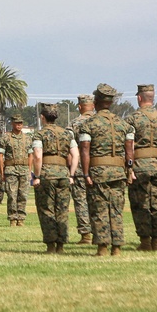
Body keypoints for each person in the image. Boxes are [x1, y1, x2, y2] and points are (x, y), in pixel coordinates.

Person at [77, 84, 134, 256]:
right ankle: (116, 247)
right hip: (118, 172)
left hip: (98, 172)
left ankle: (102, 247)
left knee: (99, 210)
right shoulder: (124, 125)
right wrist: (129, 170)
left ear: (96, 102)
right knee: (116, 210)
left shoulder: (88, 125)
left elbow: (85, 150)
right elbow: (129, 151)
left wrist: (86, 173)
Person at [125, 84, 157, 251]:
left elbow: (129, 147)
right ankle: (156, 242)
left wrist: (129, 168)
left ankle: (145, 241)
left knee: (140, 204)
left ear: (139, 98)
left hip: (138, 166)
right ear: (152, 98)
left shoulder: (132, 119)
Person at [31, 103, 78, 253]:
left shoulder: (39, 134)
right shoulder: (67, 133)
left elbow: (38, 156)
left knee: (47, 209)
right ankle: (61, 245)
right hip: (64, 174)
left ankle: (51, 245)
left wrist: (37, 176)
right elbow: (75, 155)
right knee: (62, 210)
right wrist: (71, 174)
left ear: (42, 117)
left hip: (47, 174)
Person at [0, 114, 32, 226]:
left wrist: (30, 170)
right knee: (12, 195)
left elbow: (31, 155)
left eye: (20, 123)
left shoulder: (27, 138)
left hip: (24, 169)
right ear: (12, 124)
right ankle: (12, 217)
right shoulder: (5, 138)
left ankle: (21, 218)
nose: (19, 125)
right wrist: (2, 172)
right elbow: (0, 155)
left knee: (23, 195)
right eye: (17, 123)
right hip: (11, 170)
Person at [70, 94, 96, 242]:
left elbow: (69, 148)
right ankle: (100, 231)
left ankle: (86, 234)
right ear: (93, 106)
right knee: (98, 200)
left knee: (81, 200)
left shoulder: (74, 124)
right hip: (99, 166)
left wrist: (71, 170)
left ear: (80, 107)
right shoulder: (100, 121)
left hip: (80, 168)